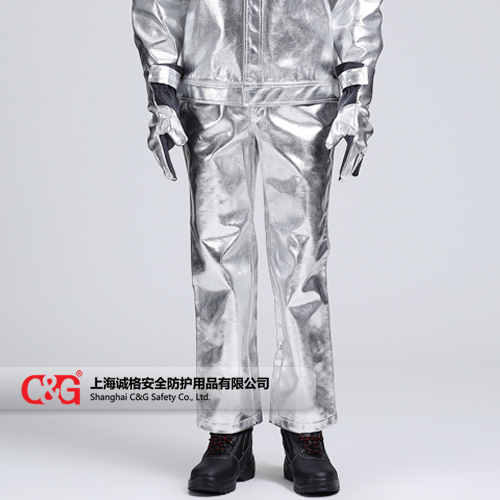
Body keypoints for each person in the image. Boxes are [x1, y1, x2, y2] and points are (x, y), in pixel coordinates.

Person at [132, 0, 383, 495]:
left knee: (303, 267)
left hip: (303, 92)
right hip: (211, 93)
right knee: (216, 270)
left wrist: (357, 89)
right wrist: (161, 90)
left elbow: (356, 5)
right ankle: (229, 431)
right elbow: (158, 5)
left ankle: (304, 427)